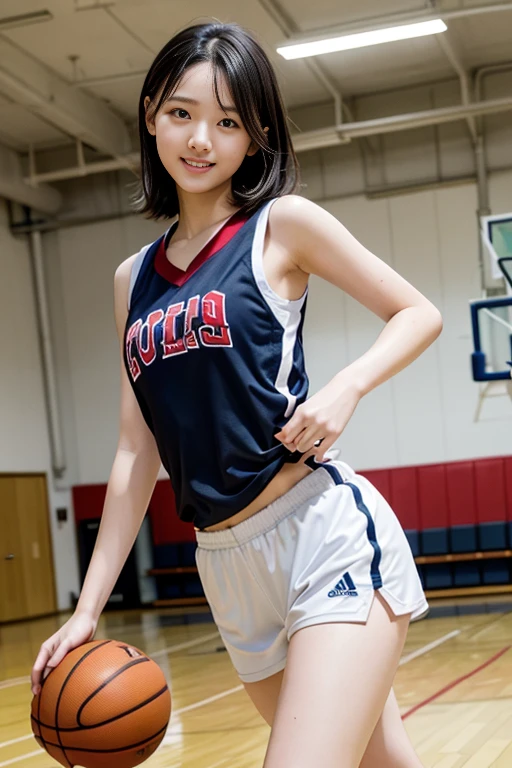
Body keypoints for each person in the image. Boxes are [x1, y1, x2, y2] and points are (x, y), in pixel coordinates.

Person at [31, 21, 442, 768]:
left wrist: (347, 387)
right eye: (182, 113)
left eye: (228, 122)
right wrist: (88, 609)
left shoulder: (281, 226)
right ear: (152, 111)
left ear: (255, 139)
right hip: (224, 564)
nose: (200, 139)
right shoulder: (133, 279)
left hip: (322, 533)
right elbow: (135, 447)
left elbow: (419, 311)